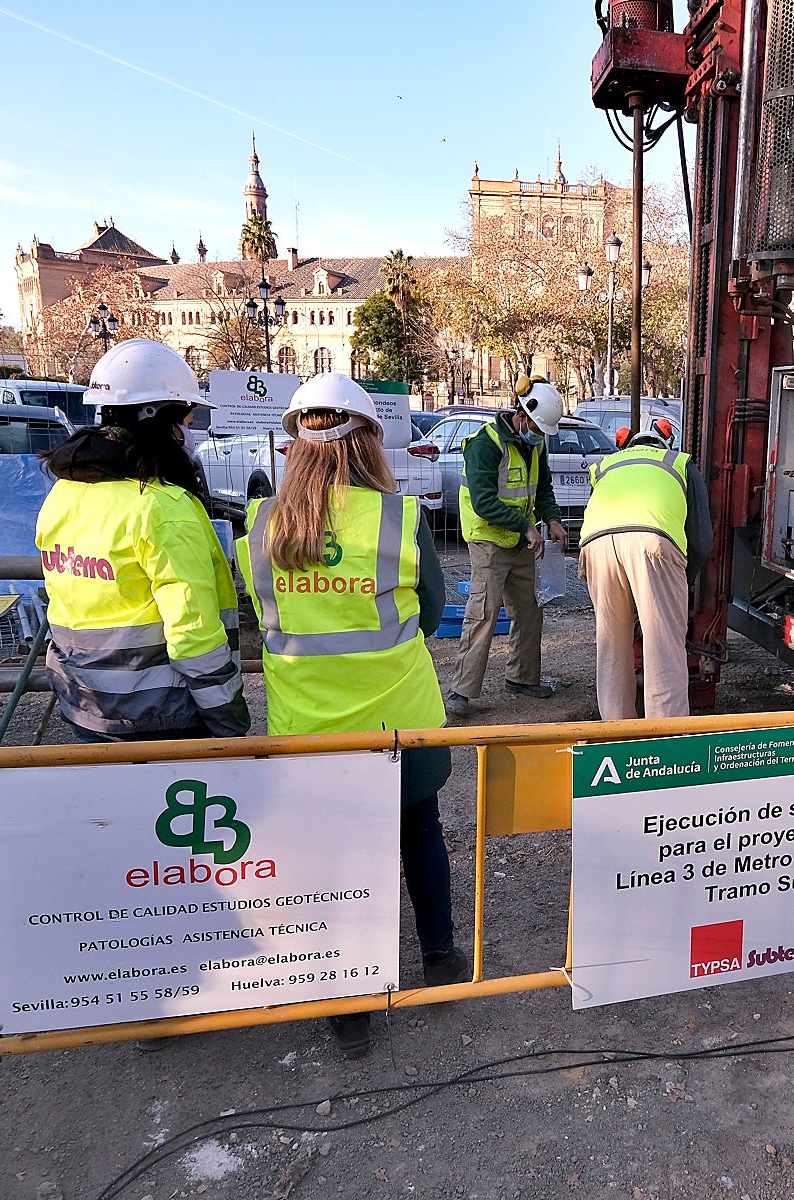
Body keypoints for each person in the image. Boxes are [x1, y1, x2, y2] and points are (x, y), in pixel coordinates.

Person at [237, 373, 470, 1061]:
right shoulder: (400, 519)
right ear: (368, 443)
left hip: (309, 733)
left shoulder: (261, 526)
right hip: (402, 723)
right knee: (419, 836)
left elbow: (259, 622)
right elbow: (430, 615)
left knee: (332, 862)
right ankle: (440, 960)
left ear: (294, 445)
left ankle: (350, 1007)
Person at [35, 339, 249, 744]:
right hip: (161, 718)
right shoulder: (162, 507)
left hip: (87, 707)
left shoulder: (65, 492)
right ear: (159, 419)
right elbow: (194, 633)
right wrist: (228, 719)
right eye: (185, 422)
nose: (189, 435)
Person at [444, 378, 569, 718]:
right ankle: (461, 691)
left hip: (520, 541)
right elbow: (484, 503)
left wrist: (553, 519)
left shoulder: (536, 444)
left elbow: (542, 488)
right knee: (482, 614)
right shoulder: (486, 444)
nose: (540, 435)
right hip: (489, 541)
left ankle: (523, 678)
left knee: (529, 610)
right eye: (537, 428)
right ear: (522, 415)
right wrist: (526, 527)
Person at [577, 419, 712, 720]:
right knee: (664, 647)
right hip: (653, 541)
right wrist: (682, 583)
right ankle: (665, 743)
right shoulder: (679, 463)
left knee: (612, 644)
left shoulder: (607, 466)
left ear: (627, 444)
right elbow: (701, 541)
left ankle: (616, 734)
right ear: (665, 443)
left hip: (595, 546)